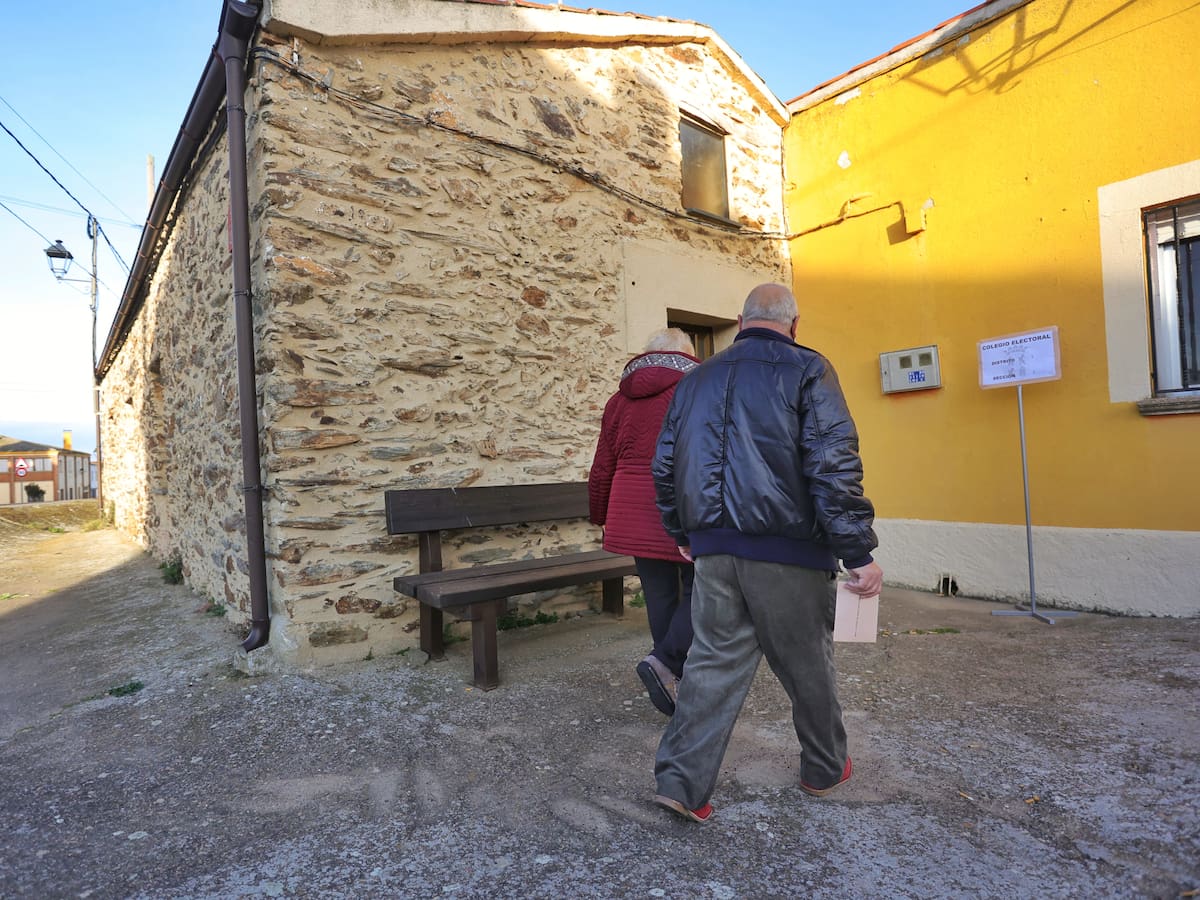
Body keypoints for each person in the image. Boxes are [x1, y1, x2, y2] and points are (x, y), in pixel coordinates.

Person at [650, 283, 883, 823]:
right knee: (808, 667)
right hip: (790, 553)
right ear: (795, 324)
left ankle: (682, 786)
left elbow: (665, 466)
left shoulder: (696, 378)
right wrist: (858, 551)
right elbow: (832, 463)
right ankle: (824, 771)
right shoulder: (808, 369)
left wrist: (682, 531)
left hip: (713, 551)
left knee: (709, 666)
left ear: (739, 321)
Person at [589, 328, 701, 716]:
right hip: (682, 504)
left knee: (658, 594)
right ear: (687, 356)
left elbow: (602, 464)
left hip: (629, 510)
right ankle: (667, 664)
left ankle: (670, 676)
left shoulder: (618, 399)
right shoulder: (693, 391)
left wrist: (601, 514)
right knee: (700, 589)